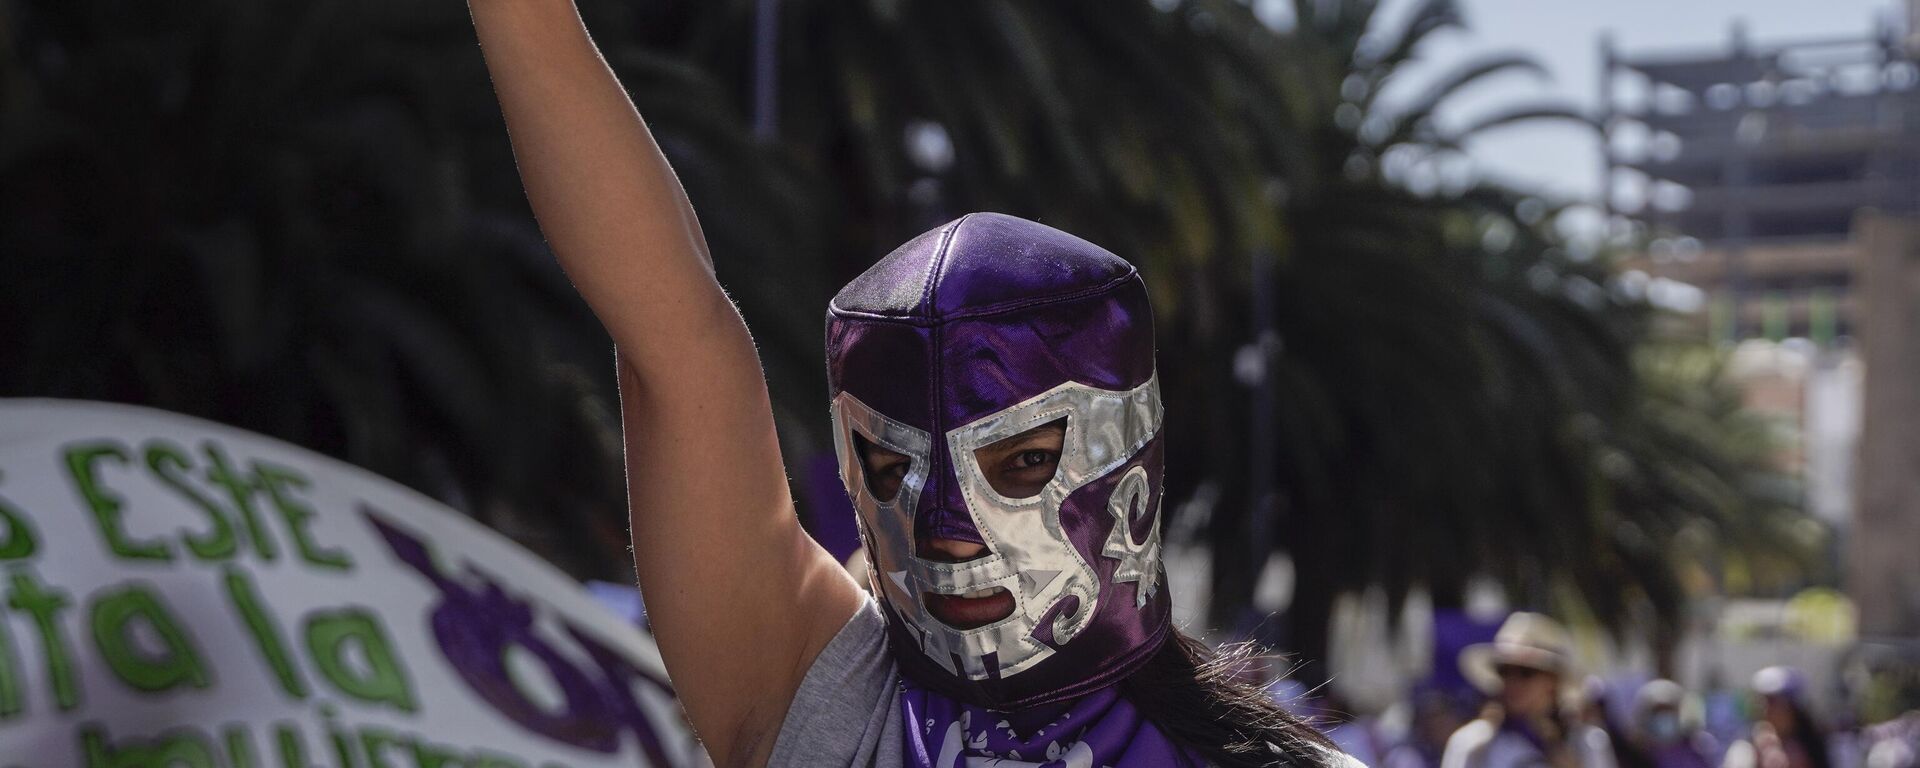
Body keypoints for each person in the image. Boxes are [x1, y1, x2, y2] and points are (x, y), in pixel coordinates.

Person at [464, 1, 1351, 765]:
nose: (949, 534)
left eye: (1022, 461)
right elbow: (679, 351)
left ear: (1130, 473)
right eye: (894, 472)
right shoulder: (829, 703)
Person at [1440, 613, 1617, 768]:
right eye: (1504, 671)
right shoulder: (1474, 743)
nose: (1513, 682)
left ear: (1552, 679)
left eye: (1526, 672)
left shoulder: (1587, 741)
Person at [1723, 667, 1835, 768]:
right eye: (1766, 701)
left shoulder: (1813, 745)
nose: (1767, 708)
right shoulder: (1747, 746)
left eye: (1774, 701)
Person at [1631, 679, 1716, 768]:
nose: (1664, 717)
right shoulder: (1639, 755)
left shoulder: (1699, 748)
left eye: (1669, 711)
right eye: (1658, 712)